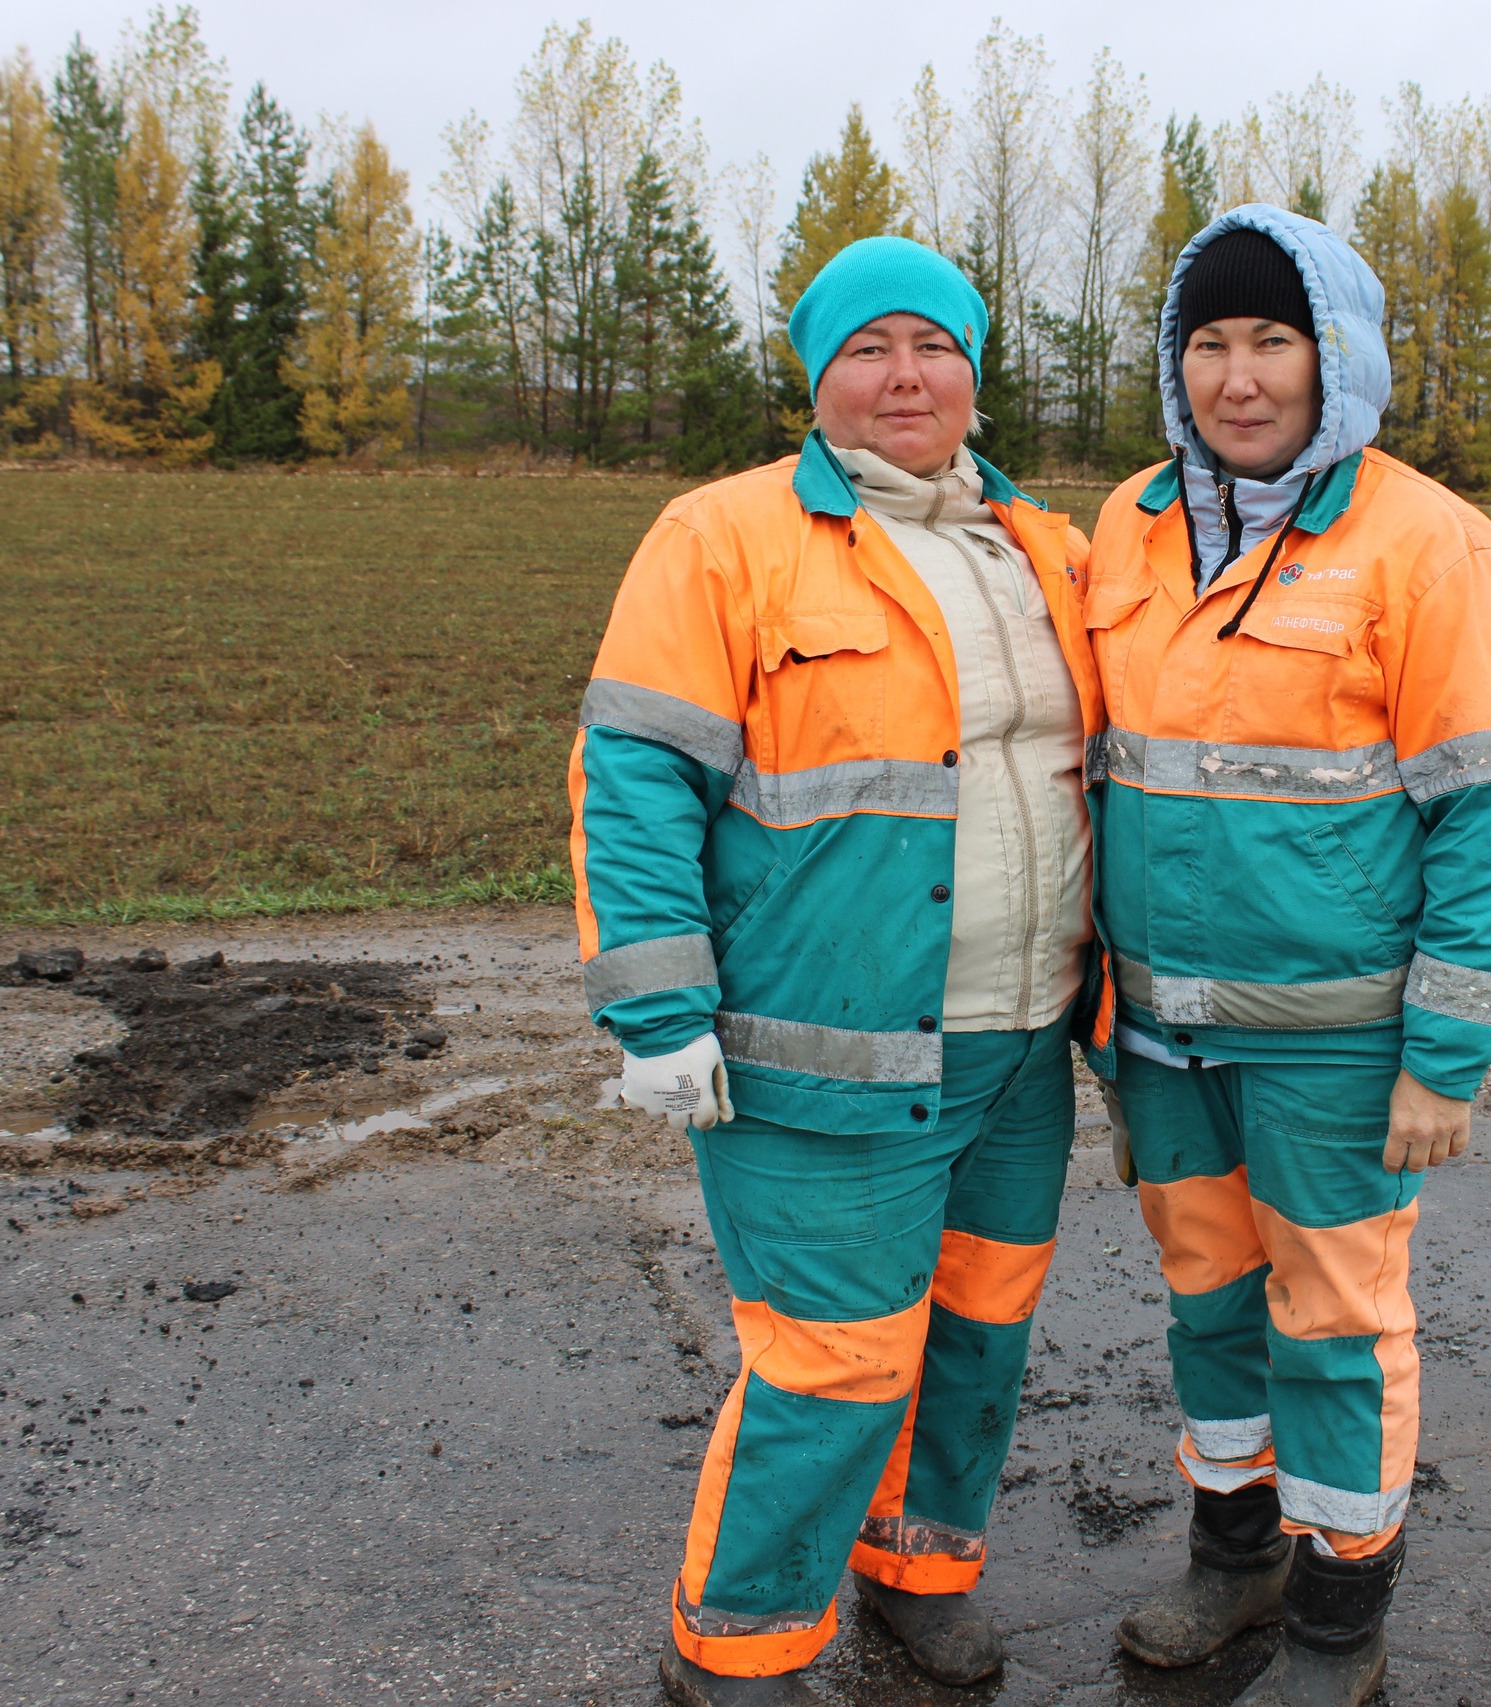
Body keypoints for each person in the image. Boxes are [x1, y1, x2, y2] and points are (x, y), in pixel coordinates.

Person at [567, 234, 1103, 1707]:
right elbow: (634, 781)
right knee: (834, 1361)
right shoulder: (724, 539)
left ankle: (918, 1570)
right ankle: (736, 1646)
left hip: (1017, 1046)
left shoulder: (1050, 551)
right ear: (818, 379)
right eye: (868, 349)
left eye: (934, 347)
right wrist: (660, 1011)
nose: (905, 376)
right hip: (820, 1058)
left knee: (978, 1334)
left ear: (976, 376)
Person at [1081, 208, 1491, 1706]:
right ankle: (1235, 1563)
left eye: (1270, 341)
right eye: (1209, 343)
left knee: (1337, 1327)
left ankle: (1338, 1632)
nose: (1238, 377)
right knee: (1210, 1304)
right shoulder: (1130, 525)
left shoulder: (1430, 545)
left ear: (1332, 357)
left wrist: (1448, 1057)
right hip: (1164, 1035)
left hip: (1340, 1044)